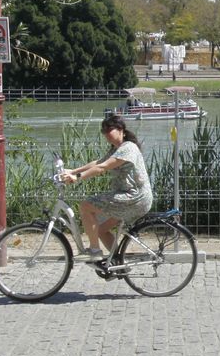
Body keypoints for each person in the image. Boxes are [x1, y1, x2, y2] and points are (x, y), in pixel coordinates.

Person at [58, 111, 152, 264]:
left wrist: (77, 178)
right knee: (100, 229)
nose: (106, 134)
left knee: (86, 206)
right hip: (129, 197)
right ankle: (119, 263)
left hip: (135, 198)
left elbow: (103, 167)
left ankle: (94, 251)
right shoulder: (116, 149)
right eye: (104, 131)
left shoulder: (128, 147)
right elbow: (98, 163)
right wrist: (72, 171)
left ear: (120, 129)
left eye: (109, 130)